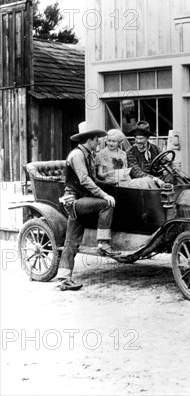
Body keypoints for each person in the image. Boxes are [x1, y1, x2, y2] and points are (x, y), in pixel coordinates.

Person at [56, 122, 119, 292]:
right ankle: (103, 243)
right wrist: (105, 194)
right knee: (106, 204)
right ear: (89, 140)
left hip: (81, 200)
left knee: (71, 241)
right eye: (96, 141)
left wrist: (110, 181)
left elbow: (93, 179)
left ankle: (64, 278)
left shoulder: (88, 155)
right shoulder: (77, 155)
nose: (98, 143)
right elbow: (84, 180)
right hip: (75, 201)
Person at [126, 121, 171, 186]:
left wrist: (167, 168)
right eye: (136, 138)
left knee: (172, 176)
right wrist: (155, 179)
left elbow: (165, 160)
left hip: (159, 179)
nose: (138, 141)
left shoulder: (155, 149)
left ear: (147, 138)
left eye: (141, 138)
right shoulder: (130, 152)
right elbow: (136, 172)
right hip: (141, 183)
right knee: (147, 181)